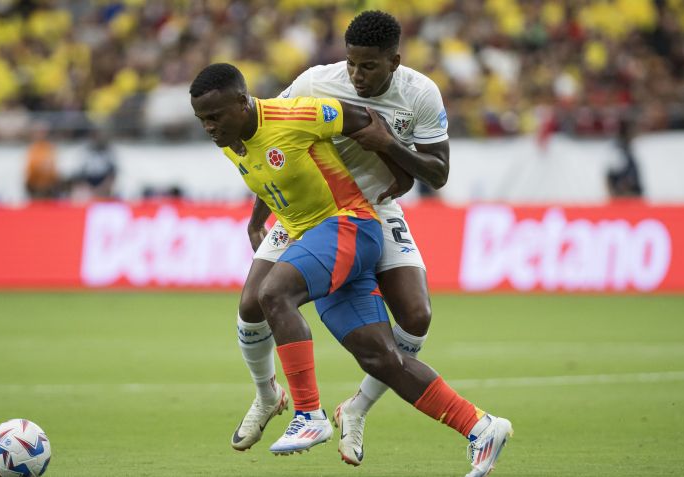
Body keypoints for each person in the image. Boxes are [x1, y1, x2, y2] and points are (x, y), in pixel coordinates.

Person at [190, 62, 511, 477]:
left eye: (214, 117)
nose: (209, 127)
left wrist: (398, 166)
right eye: (202, 120)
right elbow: (277, 178)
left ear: (242, 101)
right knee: (381, 358)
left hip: (348, 224)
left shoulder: (295, 113)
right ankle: (482, 427)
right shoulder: (233, 140)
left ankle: (309, 414)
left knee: (273, 294)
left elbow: (359, 117)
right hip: (315, 236)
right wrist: (257, 219)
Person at [232, 10, 452, 466]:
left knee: (416, 315)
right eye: (351, 63)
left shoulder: (421, 94)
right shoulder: (315, 82)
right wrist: (261, 215)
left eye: (368, 66)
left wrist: (389, 144)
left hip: (372, 209)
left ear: (394, 60)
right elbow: (272, 140)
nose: (356, 75)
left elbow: (439, 172)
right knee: (253, 304)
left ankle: (357, 409)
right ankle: (266, 394)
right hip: (306, 211)